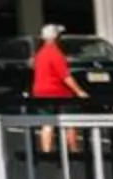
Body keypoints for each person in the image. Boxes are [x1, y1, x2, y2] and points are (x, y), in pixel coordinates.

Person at [30, 20, 80, 153]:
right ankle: (74, 150)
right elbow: (66, 76)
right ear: (57, 37)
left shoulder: (39, 54)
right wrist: (79, 91)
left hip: (40, 92)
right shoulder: (56, 54)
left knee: (47, 123)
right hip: (59, 92)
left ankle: (46, 151)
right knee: (70, 122)